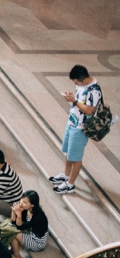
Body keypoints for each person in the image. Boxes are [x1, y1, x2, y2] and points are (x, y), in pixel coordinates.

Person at [50, 65, 102, 195]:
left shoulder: (94, 91)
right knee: (69, 151)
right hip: (72, 121)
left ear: (84, 80)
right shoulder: (82, 85)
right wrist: (72, 98)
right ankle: (66, 175)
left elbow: (89, 110)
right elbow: (80, 101)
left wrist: (74, 101)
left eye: (76, 82)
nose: (75, 84)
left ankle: (70, 184)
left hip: (80, 127)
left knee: (76, 158)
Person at [0, 190, 49, 258]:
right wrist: (14, 211)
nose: (21, 204)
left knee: (12, 233)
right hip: (30, 230)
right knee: (9, 226)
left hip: (37, 241)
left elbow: (19, 227)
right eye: (22, 200)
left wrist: (19, 215)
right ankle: (13, 249)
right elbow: (13, 222)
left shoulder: (38, 217)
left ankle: (17, 256)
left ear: (32, 205)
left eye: (25, 202)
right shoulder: (27, 209)